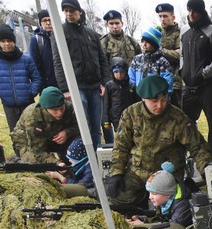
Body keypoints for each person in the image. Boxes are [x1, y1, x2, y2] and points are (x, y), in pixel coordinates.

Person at [108, 75, 212, 207]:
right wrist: (116, 172)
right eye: (154, 101)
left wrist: (207, 172)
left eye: (164, 99)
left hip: (167, 175)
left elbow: (198, 147)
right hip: (137, 172)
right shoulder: (131, 114)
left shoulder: (178, 118)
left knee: (170, 209)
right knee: (117, 200)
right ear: (143, 99)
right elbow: (121, 146)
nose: (160, 105)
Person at [52, 0, 110, 149]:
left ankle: (95, 156)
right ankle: (83, 157)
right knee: (82, 127)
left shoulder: (92, 34)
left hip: (95, 87)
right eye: (66, 11)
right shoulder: (60, 32)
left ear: (79, 12)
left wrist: (104, 83)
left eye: (72, 10)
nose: (69, 14)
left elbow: (102, 60)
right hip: (77, 88)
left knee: (96, 126)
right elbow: (58, 62)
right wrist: (65, 89)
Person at [180, 0, 212, 157]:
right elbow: (182, 55)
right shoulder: (184, 31)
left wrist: (203, 74)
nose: (191, 14)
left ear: (202, 12)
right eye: (189, 10)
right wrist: (182, 71)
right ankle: (193, 149)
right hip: (188, 87)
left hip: (206, 86)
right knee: (185, 121)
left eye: (195, 11)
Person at [0, 23, 41, 134]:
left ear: (14, 41)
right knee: (15, 133)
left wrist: (31, 93)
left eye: (9, 41)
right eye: (3, 41)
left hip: (27, 103)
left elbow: (36, 77)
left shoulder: (26, 59)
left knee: (32, 131)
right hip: (9, 105)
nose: (7, 44)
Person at [127, 162, 192, 229]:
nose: (150, 197)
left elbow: (175, 228)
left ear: (167, 194)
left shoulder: (182, 206)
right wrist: (140, 219)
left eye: (154, 193)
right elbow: (157, 217)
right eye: (149, 192)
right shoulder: (159, 200)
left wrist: (143, 225)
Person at [11, 87, 79, 164]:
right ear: (45, 108)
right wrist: (56, 162)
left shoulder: (69, 107)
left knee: (76, 151)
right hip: (28, 141)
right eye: (55, 110)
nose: (59, 113)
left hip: (54, 137)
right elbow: (37, 151)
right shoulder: (33, 118)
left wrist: (67, 132)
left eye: (61, 108)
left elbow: (80, 127)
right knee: (35, 163)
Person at [102, 57, 137, 144]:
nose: (119, 74)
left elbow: (136, 102)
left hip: (130, 116)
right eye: (116, 72)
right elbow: (106, 104)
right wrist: (106, 120)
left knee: (132, 135)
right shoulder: (109, 85)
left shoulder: (131, 85)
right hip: (116, 117)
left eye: (121, 72)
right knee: (120, 136)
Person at [128, 27, 173, 92]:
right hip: (138, 93)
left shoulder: (162, 62)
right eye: (143, 41)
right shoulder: (137, 59)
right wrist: (133, 89)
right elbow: (131, 76)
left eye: (147, 42)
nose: (144, 44)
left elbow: (167, 82)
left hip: (154, 95)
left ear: (154, 44)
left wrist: (162, 95)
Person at [155, 3, 183, 107]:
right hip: (158, 81)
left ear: (173, 17)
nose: (162, 19)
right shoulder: (158, 34)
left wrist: (160, 50)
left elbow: (178, 55)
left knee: (177, 111)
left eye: (165, 16)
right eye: (160, 16)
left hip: (175, 82)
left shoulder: (180, 33)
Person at [100, 9, 140, 77]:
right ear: (107, 25)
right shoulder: (103, 42)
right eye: (111, 23)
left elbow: (140, 61)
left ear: (122, 23)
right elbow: (101, 65)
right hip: (112, 79)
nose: (115, 26)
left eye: (117, 23)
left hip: (130, 79)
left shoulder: (132, 41)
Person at [29, 10, 58, 94]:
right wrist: (42, 87)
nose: (48, 23)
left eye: (50, 20)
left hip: (64, 83)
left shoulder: (60, 37)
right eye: (45, 20)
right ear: (40, 23)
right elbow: (35, 66)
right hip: (47, 87)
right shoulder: (37, 40)